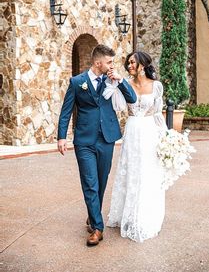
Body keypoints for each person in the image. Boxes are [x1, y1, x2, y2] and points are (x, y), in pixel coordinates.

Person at [57, 44, 137, 247]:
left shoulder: (112, 79)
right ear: (97, 62)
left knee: (101, 181)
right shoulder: (77, 82)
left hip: (107, 138)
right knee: (90, 182)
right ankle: (98, 228)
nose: (112, 65)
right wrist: (61, 137)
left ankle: (92, 216)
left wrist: (120, 80)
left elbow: (132, 99)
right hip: (84, 140)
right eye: (109, 62)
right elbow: (67, 110)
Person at [107, 51, 167, 242]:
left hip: (149, 132)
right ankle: (128, 215)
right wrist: (116, 84)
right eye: (128, 63)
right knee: (131, 171)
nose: (129, 66)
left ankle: (145, 217)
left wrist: (166, 137)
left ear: (142, 65)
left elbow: (158, 114)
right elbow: (119, 107)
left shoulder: (156, 86)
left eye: (132, 62)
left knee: (148, 173)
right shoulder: (125, 84)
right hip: (132, 131)